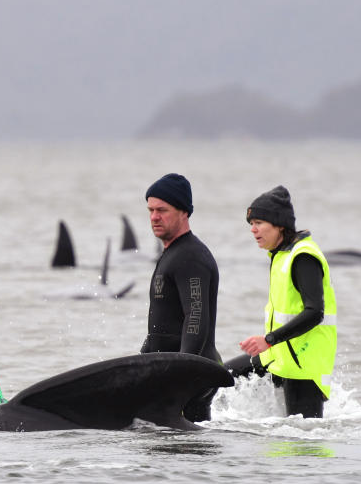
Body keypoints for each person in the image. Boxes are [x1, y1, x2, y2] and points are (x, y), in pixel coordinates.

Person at [227, 185, 337, 418]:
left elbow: (315, 312)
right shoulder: (281, 255)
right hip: (278, 356)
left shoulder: (303, 256)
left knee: (301, 444)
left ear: (279, 224)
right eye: (251, 224)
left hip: (303, 367)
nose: (253, 230)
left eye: (258, 223)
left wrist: (269, 339)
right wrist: (270, 344)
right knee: (218, 377)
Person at [141, 173, 222, 422]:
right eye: (151, 210)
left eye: (162, 210)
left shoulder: (191, 258)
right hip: (174, 373)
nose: (154, 217)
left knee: (187, 454)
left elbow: (195, 316)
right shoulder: (173, 253)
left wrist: (182, 373)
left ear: (183, 212)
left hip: (190, 378)